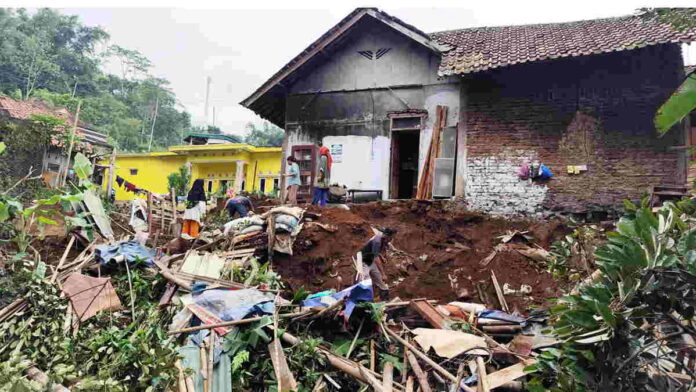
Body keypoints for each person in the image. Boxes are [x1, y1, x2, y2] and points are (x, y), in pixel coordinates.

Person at [357, 228, 397, 300]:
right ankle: (366, 303)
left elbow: (376, 251)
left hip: (370, 260)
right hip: (362, 261)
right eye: (391, 237)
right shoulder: (377, 241)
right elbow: (376, 258)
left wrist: (381, 256)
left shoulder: (383, 239)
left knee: (382, 283)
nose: (392, 239)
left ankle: (385, 302)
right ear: (387, 236)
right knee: (366, 282)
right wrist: (383, 274)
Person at [312, 142, 332, 207]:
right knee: (324, 192)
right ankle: (323, 206)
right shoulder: (327, 158)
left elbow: (321, 168)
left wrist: (319, 177)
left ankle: (315, 205)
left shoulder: (323, 157)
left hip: (322, 178)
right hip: (326, 178)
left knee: (318, 191)